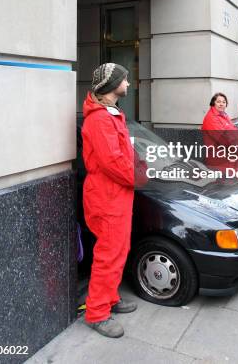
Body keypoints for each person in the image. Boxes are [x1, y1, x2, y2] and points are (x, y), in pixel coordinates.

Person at [81, 63, 137, 338]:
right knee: (109, 254)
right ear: (112, 85)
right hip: (108, 195)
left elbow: (121, 154)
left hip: (115, 194)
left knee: (118, 251)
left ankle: (110, 298)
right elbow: (113, 162)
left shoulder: (110, 114)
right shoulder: (101, 119)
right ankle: (96, 313)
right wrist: (140, 176)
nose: (128, 83)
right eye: (124, 79)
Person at [201, 93, 238, 176]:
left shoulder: (224, 115)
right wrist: (237, 149)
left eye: (224, 102)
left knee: (232, 181)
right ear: (213, 103)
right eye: (218, 102)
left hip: (230, 154)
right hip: (220, 157)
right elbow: (221, 138)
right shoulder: (211, 117)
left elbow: (234, 131)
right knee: (225, 183)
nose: (221, 104)